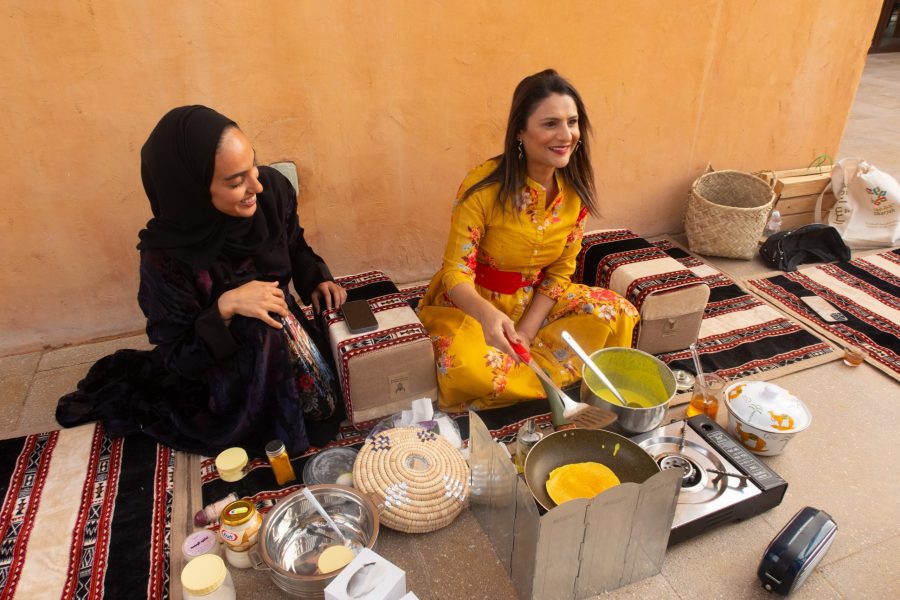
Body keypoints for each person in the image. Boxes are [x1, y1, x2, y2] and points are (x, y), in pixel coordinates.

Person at [56, 105, 347, 456]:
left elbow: (294, 243)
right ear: (191, 188)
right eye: (235, 181)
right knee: (259, 324)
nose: (256, 184)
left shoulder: (272, 192)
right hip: (224, 371)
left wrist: (315, 277)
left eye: (252, 165)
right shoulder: (166, 259)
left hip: (287, 338)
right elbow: (180, 356)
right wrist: (225, 307)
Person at [417, 69, 640, 412]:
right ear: (520, 131)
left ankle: (525, 378)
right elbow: (455, 274)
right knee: (467, 368)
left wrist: (528, 329)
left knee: (619, 314)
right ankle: (541, 381)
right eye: (550, 124)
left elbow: (560, 273)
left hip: (536, 304)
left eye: (572, 122)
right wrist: (490, 318)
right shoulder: (482, 188)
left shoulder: (574, 193)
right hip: (474, 307)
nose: (566, 135)